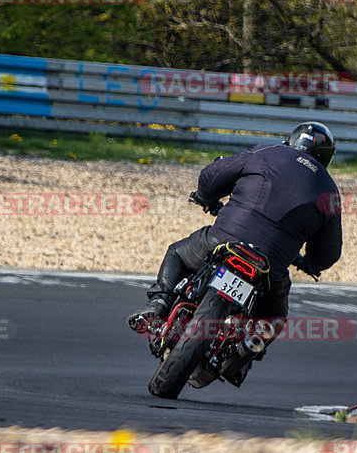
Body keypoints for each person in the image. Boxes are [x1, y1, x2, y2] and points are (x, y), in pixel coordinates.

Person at [127, 121, 343, 336]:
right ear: (327, 157)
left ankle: (159, 302)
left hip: (223, 239)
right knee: (272, 321)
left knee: (177, 252)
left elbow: (214, 175)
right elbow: (329, 251)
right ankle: (249, 345)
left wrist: (205, 197)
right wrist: (311, 263)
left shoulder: (266, 152)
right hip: (271, 267)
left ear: (291, 141)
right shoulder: (330, 190)